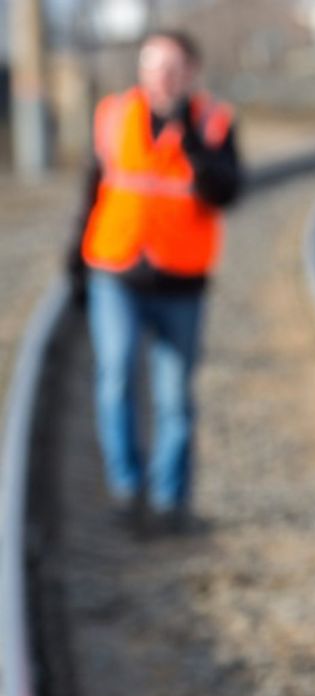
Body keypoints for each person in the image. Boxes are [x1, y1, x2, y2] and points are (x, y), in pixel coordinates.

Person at [66, 30, 243, 528]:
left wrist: (190, 143)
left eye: (172, 66)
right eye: (152, 64)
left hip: (181, 283)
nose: (161, 76)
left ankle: (170, 502)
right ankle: (126, 490)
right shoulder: (112, 115)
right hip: (115, 270)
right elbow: (91, 191)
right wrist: (73, 266)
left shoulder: (213, 123)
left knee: (173, 397)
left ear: (190, 72)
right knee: (116, 377)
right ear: (141, 69)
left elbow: (226, 191)